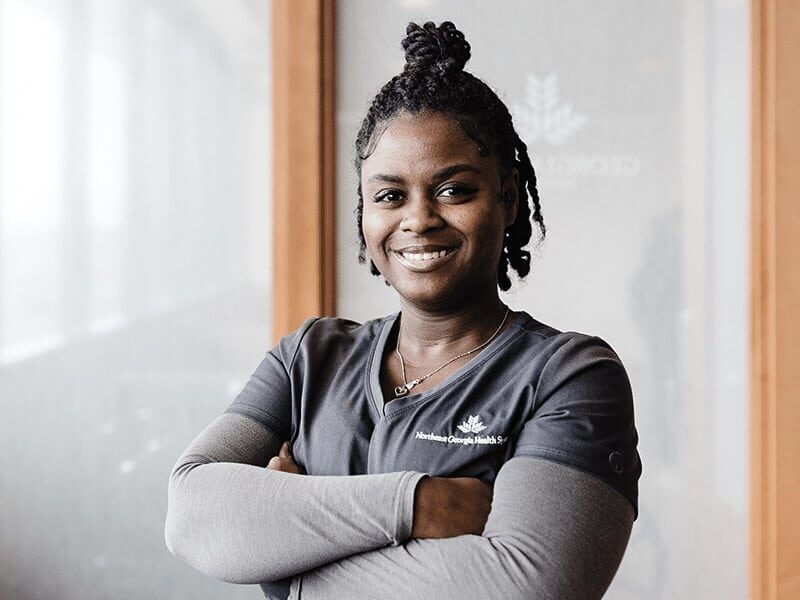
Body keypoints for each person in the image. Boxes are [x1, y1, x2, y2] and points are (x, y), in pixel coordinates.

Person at [165, 21, 642, 600]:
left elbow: (523, 588)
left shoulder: (569, 377)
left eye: (454, 190)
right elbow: (193, 516)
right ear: (365, 212)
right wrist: (417, 504)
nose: (418, 219)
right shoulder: (308, 359)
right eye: (390, 196)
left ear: (508, 196)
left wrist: (284, 561)